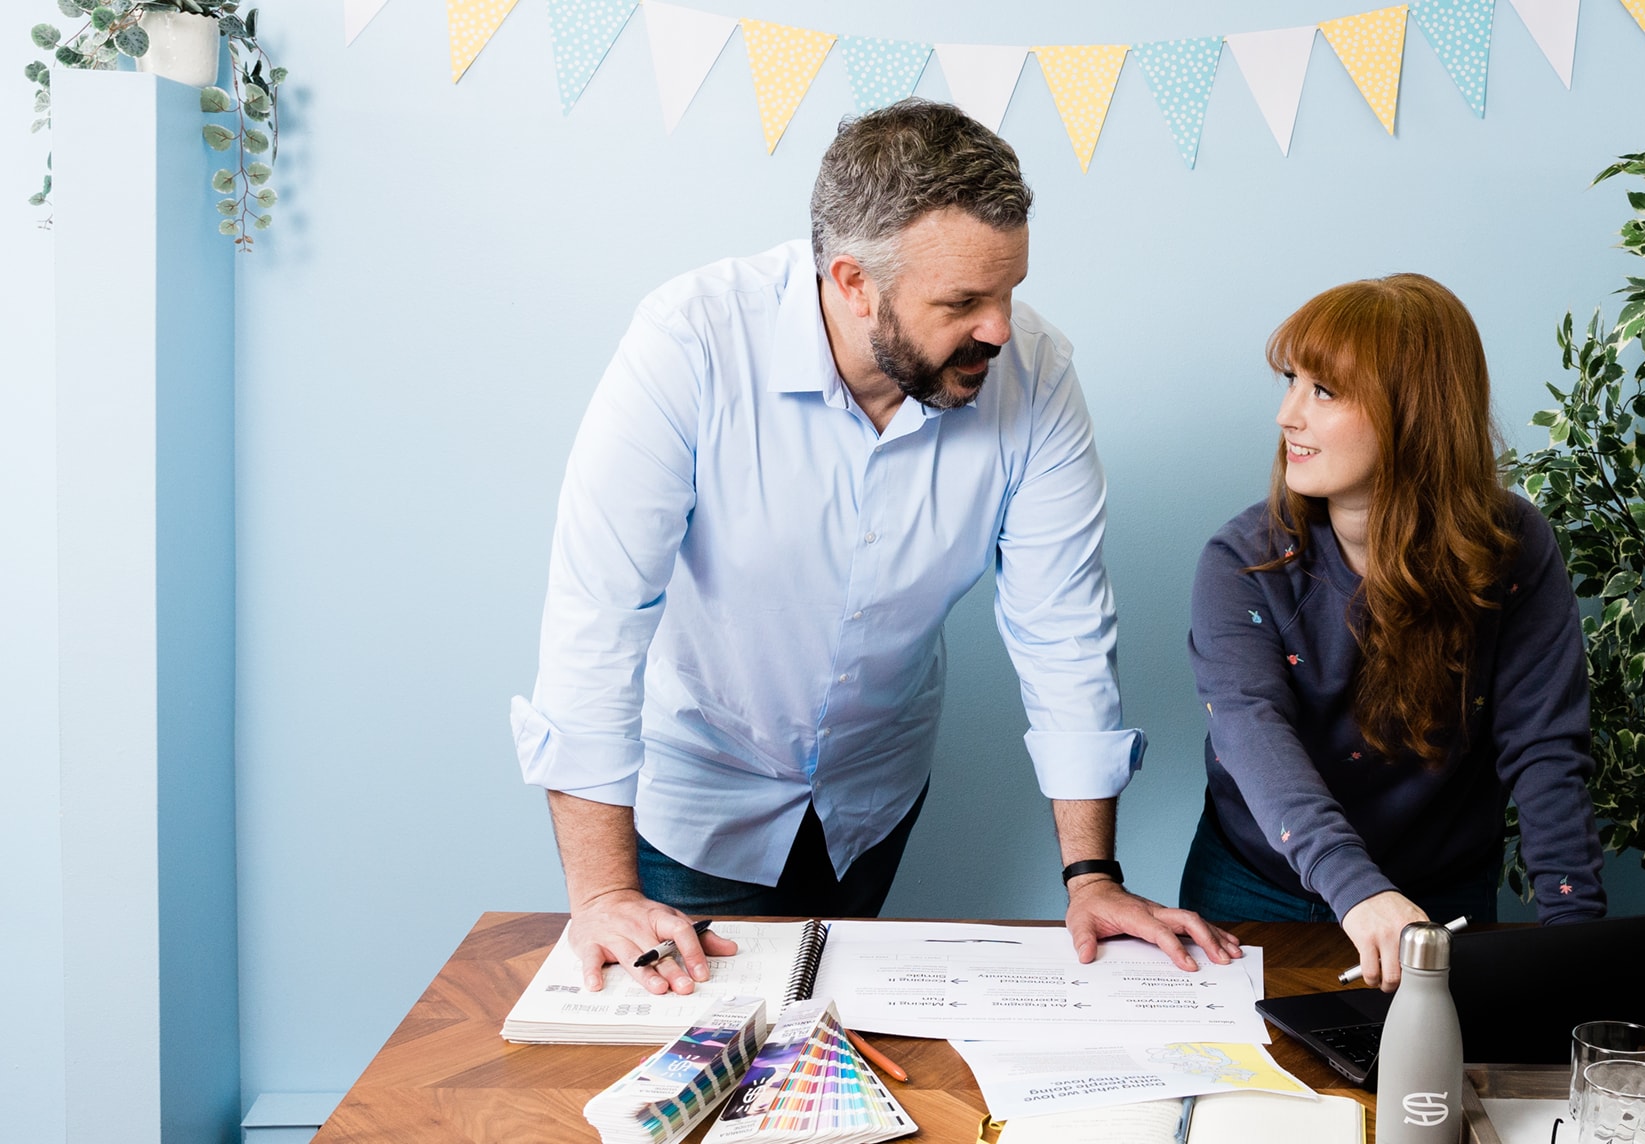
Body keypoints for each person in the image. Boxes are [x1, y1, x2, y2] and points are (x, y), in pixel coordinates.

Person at [511, 99, 1237, 996]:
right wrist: (605, 891)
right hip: (695, 797)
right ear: (852, 281)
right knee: (699, 1078)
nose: (999, 330)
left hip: (873, 797)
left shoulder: (1035, 377)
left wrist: (1091, 878)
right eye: (963, 302)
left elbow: (1064, 633)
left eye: (1008, 291)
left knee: (821, 1059)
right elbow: (599, 619)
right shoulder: (689, 344)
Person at [1178, 274, 1645, 1024]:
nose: (1287, 414)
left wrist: (1589, 954)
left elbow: (1546, 751)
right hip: (1252, 890)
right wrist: (1356, 888)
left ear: (1413, 411)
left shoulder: (1516, 550)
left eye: (1324, 391)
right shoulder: (1241, 564)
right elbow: (1252, 736)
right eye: (1291, 382)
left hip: (1441, 896)